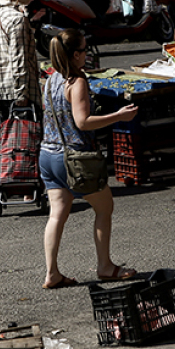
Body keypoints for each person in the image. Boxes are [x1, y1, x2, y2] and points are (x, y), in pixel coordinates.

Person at [39, 29, 139, 289]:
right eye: (83, 50)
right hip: (75, 158)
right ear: (74, 55)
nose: (87, 54)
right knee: (104, 208)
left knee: (57, 214)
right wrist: (119, 115)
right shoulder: (77, 81)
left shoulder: (51, 79)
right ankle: (105, 266)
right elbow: (83, 122)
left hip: (48, 154)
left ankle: (52, 273)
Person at [0, 0, 42, 200]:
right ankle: (28, 188)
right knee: (27, 140)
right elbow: (18, 59)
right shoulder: (18, 21)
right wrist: (22, 94)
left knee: (2, 139)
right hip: (17, 88)